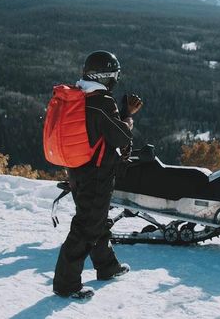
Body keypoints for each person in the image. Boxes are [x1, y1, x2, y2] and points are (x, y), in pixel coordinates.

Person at [52, 51, 143, 299]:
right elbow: (120, 136)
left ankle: (107, 267)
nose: (116, 79)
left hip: (77, 169)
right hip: (96, 174)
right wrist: (128, 116)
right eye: (114, 75)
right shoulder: (101, 101)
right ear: (105, 76)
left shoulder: (79, 95)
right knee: (85, 227)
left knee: (95, 219)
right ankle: (66, 285)